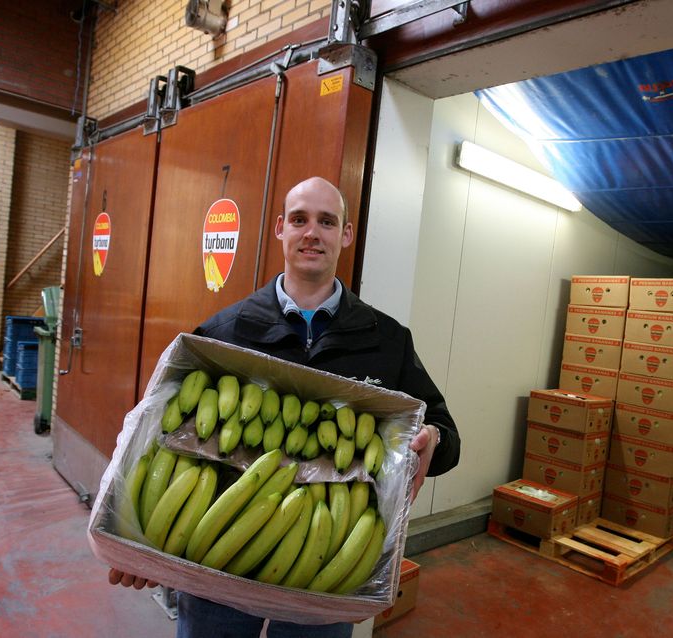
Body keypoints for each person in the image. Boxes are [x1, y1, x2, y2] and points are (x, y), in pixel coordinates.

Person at [109, 176, 460, 637]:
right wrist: (140, 543)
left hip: (324, 562)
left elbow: (444, 433)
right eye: (300, 219)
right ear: (280, 229)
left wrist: (433, 437)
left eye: (327, 222)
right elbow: (161, 437)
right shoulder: (223, 332)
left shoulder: (387, 340)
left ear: (346, 235)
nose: (312, 232)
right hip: (218, 550)